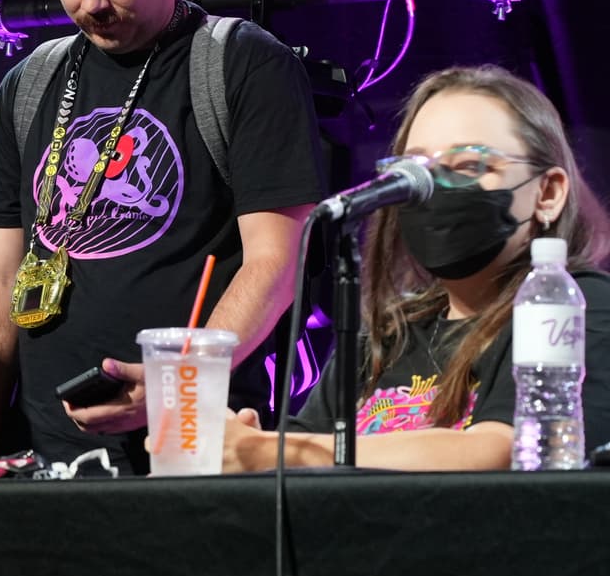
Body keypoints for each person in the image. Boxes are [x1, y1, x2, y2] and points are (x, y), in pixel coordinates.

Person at [0, 0, 326, 472]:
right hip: (44, 458)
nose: (91, 2)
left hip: (194, 447)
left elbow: (275, 263)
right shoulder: (27, 84)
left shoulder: (242, 65)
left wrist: (172, 385)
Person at [223, 65, 610, 471]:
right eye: (418, 172)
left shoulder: (577, 308)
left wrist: (271, 451)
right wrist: (250, 443)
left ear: (547, 193)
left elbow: (500, 450)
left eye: (469, 166)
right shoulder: (389, 332)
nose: (437, 189)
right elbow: (303, 450)